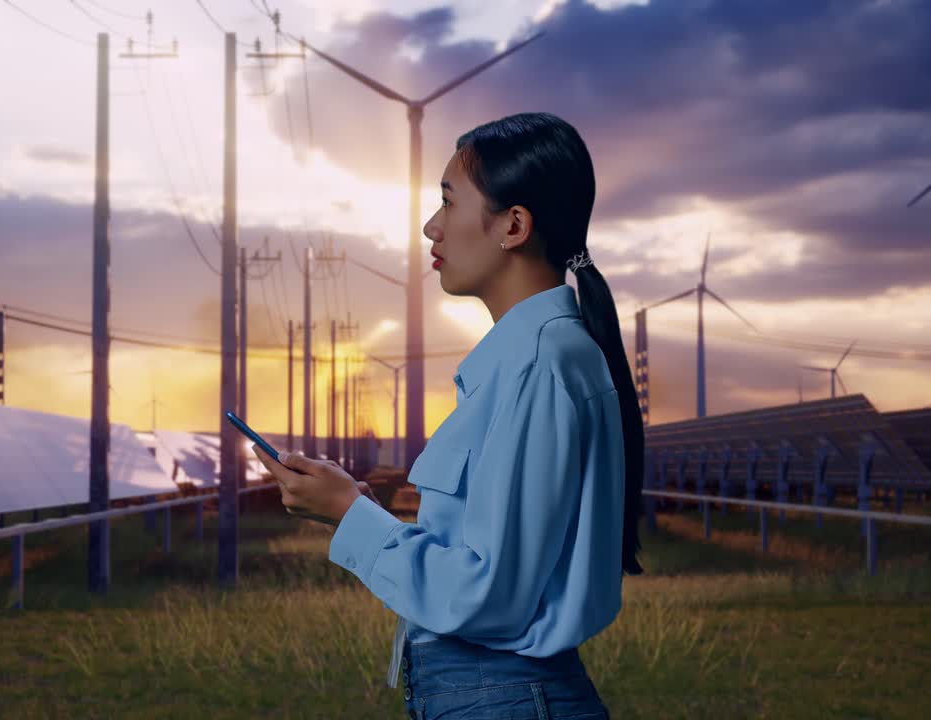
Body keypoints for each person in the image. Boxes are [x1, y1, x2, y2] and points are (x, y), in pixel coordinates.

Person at [252, 111, 645, 720]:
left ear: (513, 225)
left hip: (503, 696)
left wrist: (348, 515)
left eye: (447, 202)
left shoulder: (538, 364)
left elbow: (491, 595)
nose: (431, 227)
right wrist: (355, 508)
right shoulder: (528, 359)